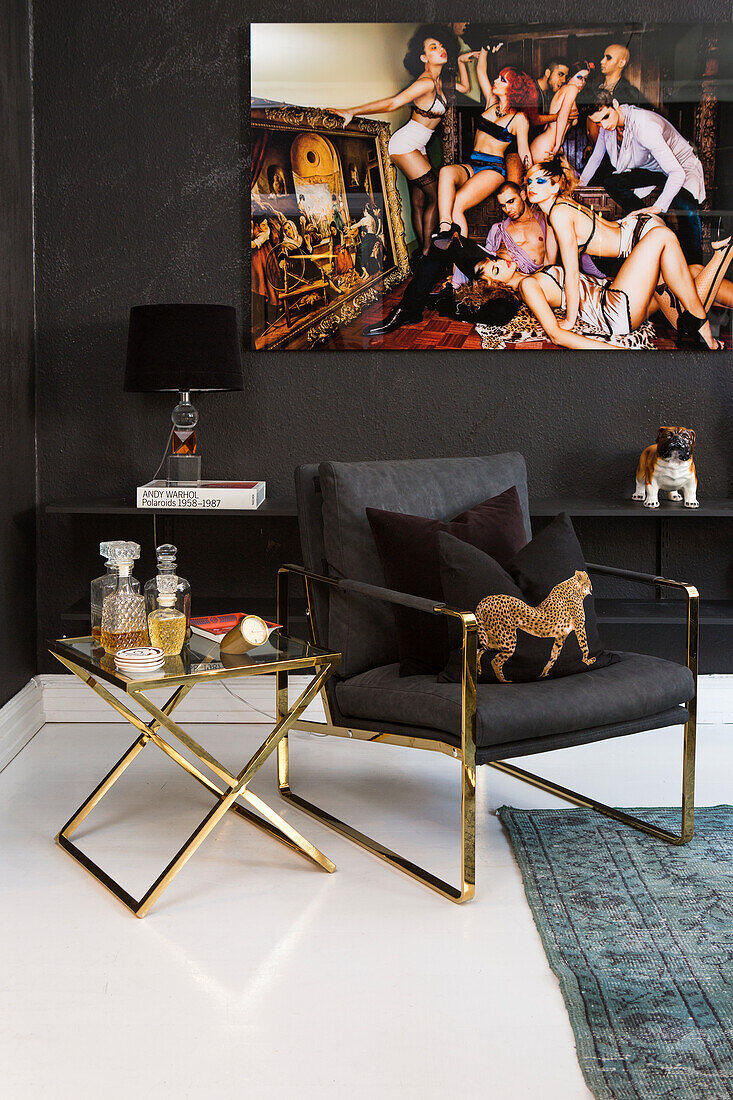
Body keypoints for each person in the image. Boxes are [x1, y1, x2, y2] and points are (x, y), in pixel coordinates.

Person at [329, 24, 465, 258]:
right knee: (435, 195)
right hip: (405, 144)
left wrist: (464, 60)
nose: (440, 49)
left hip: (418, 144)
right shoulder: (426, 83)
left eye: (442, 46)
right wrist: (352, 111)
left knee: (421, 200)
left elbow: (467, 87)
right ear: (423, 57)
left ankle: (423, 255)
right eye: (433, 47)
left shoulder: (439, 82)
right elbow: (393, 103)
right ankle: (426, 253)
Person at [474, 228, 731, 350]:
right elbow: (556, 335)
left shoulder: (532, 275)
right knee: (660, 236)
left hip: (615, 298)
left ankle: (690, 320)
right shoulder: (528, 286)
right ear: (498, 286)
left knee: (694, 272)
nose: (502, 261)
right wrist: (617, 352)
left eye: (495, 260)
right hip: (614, 310)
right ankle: (702, 321)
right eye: (496, 269)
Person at [526, 155, 670, 331]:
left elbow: (572, 273)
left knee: (674, 293)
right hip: (637, 228)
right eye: (529, 181)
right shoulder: (560, 206)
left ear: (555, 186)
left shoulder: (559, 214)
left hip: (638, 236)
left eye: (540, 181)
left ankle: (703, 332)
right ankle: (702, 330)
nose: (531, 186)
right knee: (672, 291)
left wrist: (570, 320)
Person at [581, 92, 705, 263]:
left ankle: (694, 264)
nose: (604, 125)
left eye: (606, 117)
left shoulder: (644, 125)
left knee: (685, 206)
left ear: (615, 104)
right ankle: (650, 221)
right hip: (652, 168)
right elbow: (596, 157)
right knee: (612, 182)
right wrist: (580, 184)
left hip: (679, 166)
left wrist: (658, 206)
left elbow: (677, 172)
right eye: (598, 122)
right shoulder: (608, 126)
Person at [433, 54, 538, 248]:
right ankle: (445, 226)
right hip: (473, 163)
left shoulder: (519, 119)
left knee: (458, 204)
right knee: (445, 172)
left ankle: (459, 270)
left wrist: (533, 178)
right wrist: (484, 50)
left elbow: (524, 152)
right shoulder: (491, 101)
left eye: (502, 79)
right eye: (497, 77)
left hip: (493, 169)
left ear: (512, 88)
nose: (495, 81)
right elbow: (481, 70)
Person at [530, 62, 593, 163]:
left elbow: (551, 124)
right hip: (546, 146)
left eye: (585, 79)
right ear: (570, 78)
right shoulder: (572, 89)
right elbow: (561, 116)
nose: (582, 82)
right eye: (579, 77)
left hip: (545, 145)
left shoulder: (564, 91)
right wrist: (558, 144)